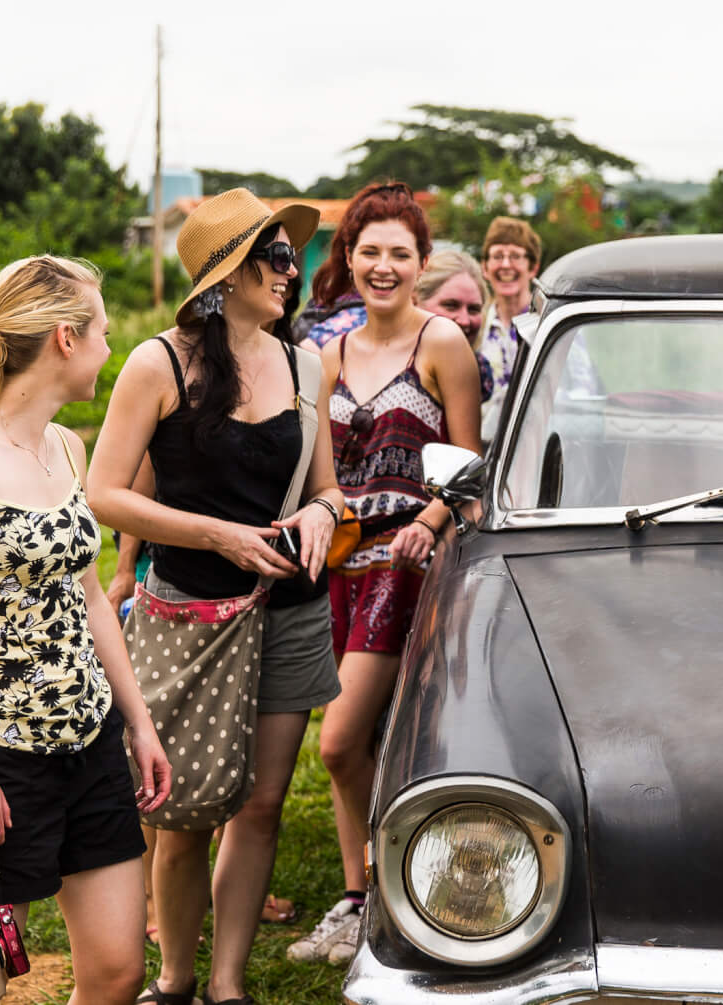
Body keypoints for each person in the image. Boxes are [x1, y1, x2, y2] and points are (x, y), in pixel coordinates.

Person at [88, 189, 347, 1005]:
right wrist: (216, 535)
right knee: (184, 808)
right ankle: (175, 978)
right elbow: (103, 492)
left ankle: (227, 985)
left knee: (262, 802)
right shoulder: (156, 362)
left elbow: (333, 491)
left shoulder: (308, 363)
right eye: (273, 254)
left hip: (289, 612)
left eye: (291, 255)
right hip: (189, 611)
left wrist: (317, 510)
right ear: (225, 273)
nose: (290, 269)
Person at [0, 255, 173, 1005]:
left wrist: (137, 721)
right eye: (105, 333)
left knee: (117, 970)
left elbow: (85, 594)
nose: (114, 350)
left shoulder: (67, 446)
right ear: (65, 339)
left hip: (89, 742)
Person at [287, 182, 483, 967]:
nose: (383, 265)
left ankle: (383, 891)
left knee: (338, 743)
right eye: (370, 250)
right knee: (356, 739)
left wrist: (428, 524)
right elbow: (318, 469)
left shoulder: (442, 344)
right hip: (335, 566)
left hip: (408, 565)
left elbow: (469, 461)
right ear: (349, 257)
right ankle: (360, 898)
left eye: (400, 253)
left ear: (422, 262)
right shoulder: (327, 354)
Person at [478, 216, 542, 439]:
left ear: (533, 267)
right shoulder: (474, 326)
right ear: (484, 268)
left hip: (534, 444)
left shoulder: (548, 326)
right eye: (497, 256)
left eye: (515, 256)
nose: (506, 265)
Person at [414, 248, 493, 402]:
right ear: (415, 302)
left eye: (473, 309)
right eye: (450, 305)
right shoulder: (381, 365)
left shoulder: (478, 376)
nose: (464, 320)